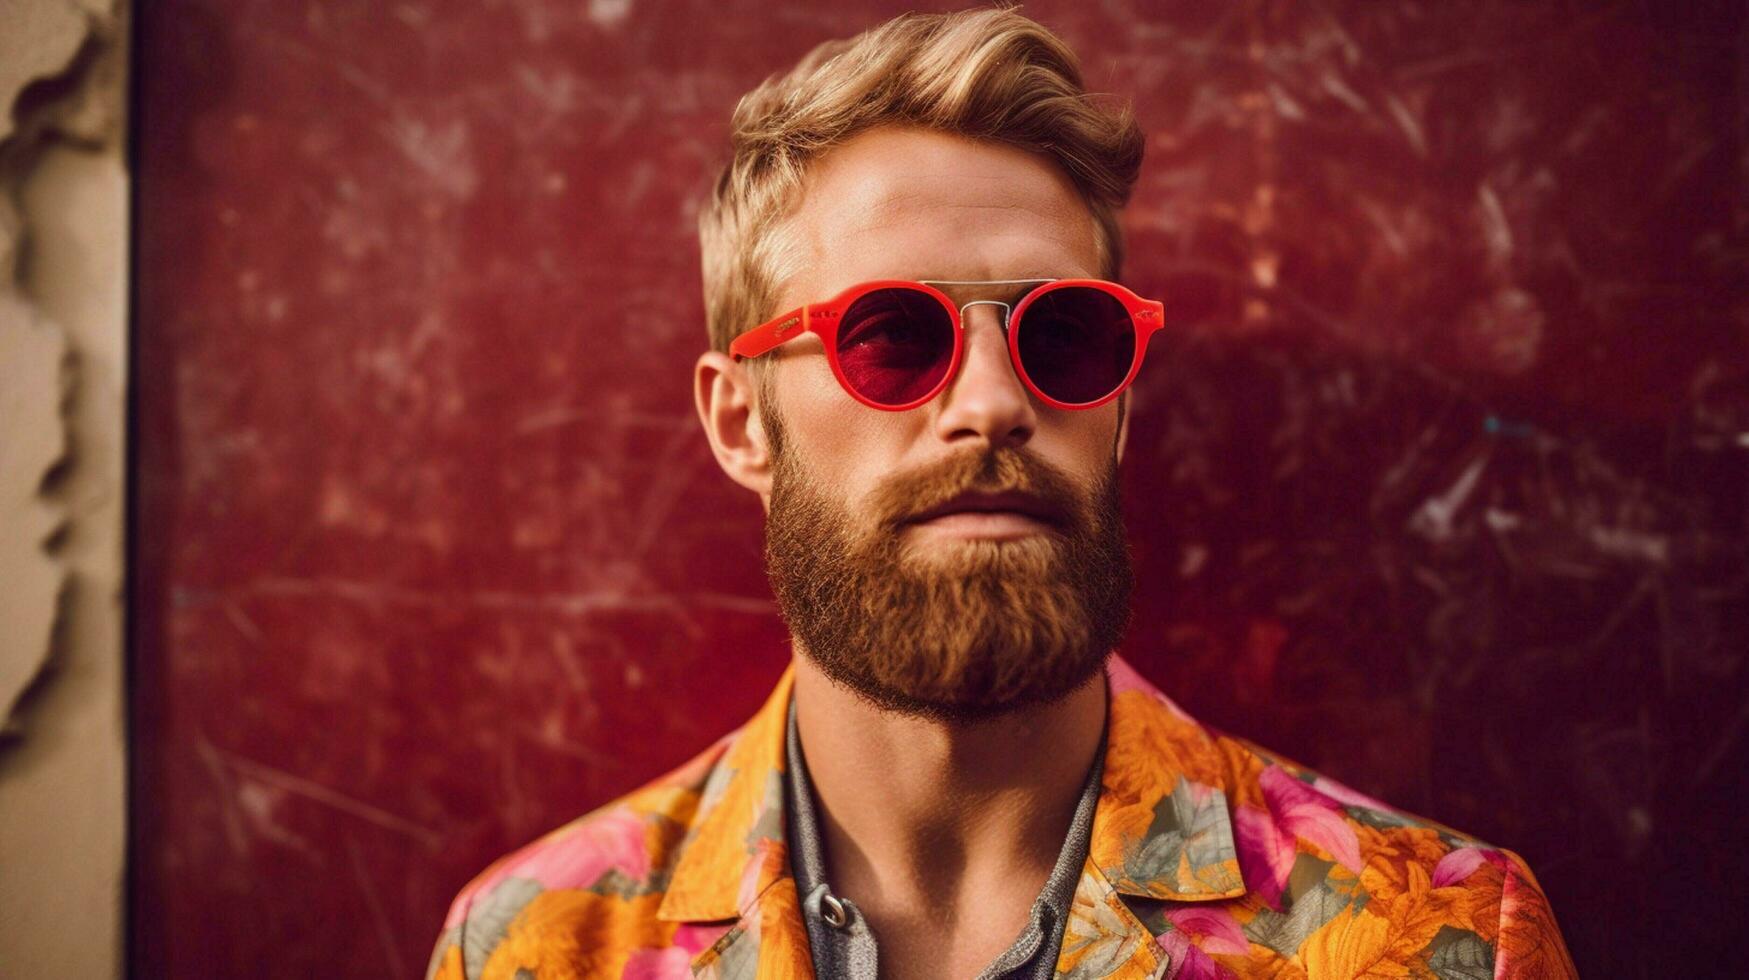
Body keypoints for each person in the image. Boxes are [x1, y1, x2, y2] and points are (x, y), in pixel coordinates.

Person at [427, 9, 1577, 979]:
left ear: (1119, 411)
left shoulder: (1442, 938)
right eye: (890, 335)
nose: (991, 401)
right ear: (741, 421)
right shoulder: (536, 945)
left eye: (1063, 336)